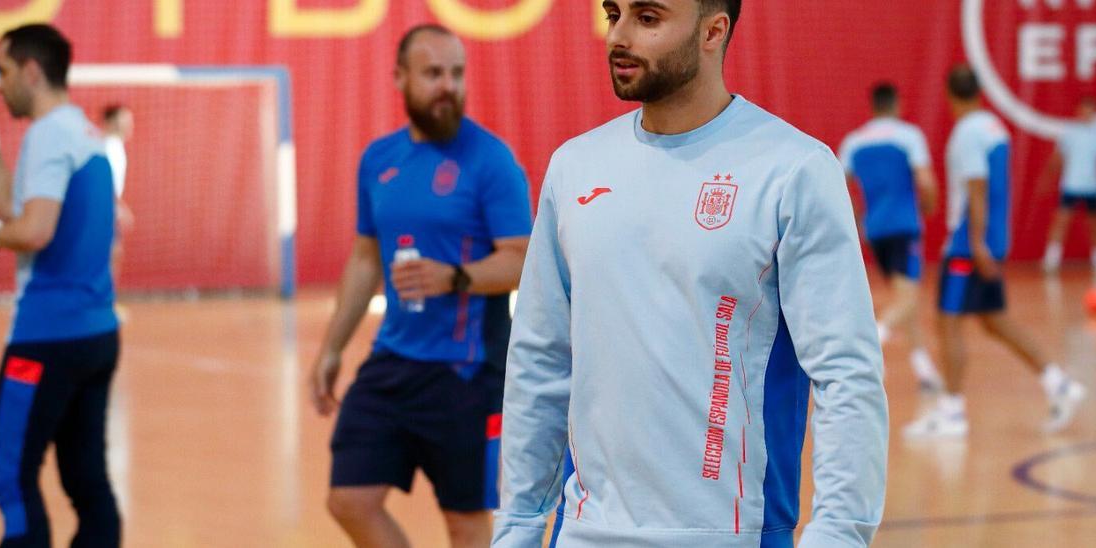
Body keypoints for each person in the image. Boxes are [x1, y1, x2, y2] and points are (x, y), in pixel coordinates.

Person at [495, 1, 888, 546]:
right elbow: (540, 359)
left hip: (733, 533)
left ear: (713, 31)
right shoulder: (574, 167)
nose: (620, 36)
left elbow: (846, 373)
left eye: (648, 18)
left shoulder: (793, 169)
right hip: (585, 531)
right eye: (615, 15)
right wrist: (515, 526)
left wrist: (840, 533)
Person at [307, 24, 532, 548]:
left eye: (456, 73)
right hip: (393, 363)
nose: (448, 85)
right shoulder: (379, 160)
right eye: (433, 74)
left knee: (465, 524)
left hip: (469, 374)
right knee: (350, 500)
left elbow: (523, 262)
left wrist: (455, 277)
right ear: (400, 79)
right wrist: (332, 348)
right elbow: (366, 258)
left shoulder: (492, 162)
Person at [903, 66, 1086, 440]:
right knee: (993, 319)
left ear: (950, 94)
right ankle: (1060, 384)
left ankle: (952, 413)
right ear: (981, 91)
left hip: (969, 244)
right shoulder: (995, 126)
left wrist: (976, 242)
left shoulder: (967, 133)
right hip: (990, 239)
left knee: (947, 320)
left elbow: (978, 187)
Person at [0, 24, 122, 547]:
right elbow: (14, 210)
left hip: (47, 338)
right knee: (86, 479)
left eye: (2, 72)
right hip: (95, 334)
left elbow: (33, 230)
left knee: (10, 475)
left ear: (31, 70)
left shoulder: (48, 137)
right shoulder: (79, 131)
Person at [838, 81, 943, 393]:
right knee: (909, 298)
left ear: (873, 106)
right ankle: (875, 340)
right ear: (896, 105)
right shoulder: (909, 136)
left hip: (876, 230)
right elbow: (925, 180)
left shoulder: (854, 141)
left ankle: (924, 370)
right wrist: (928, 205)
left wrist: (857, 221)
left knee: (904, 298)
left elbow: (841, 188)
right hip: (904, 226)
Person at [1040, 96, 1096, 280]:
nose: (1086, 114)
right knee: (1061, 221)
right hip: (1071, 185)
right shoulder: (1069, 133)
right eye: (1084, 109)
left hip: (1093, 186)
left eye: (1091, 110)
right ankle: (1051, 259)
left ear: (1095, 113)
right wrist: (1047, 179)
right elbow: (1057, 158)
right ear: (1078, 111)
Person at [101, 104, 134, 286]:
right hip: (103, 209)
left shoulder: (115, 146)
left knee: (112, 253)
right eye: (124, 120)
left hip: (106, 208)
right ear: (111, 123)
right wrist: (120, 208)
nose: (129, 124)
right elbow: (105, 182)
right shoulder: (110, 147)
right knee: (110, 253)